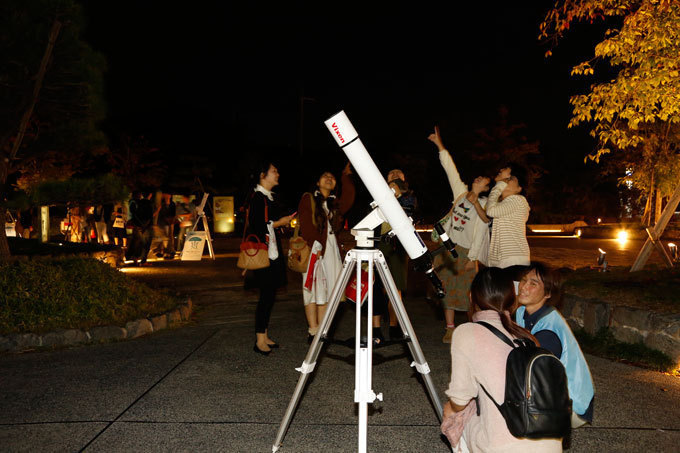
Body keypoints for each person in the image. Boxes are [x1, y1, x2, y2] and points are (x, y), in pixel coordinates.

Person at [444, 267, 562, 452]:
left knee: (454, 412)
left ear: (471, 297)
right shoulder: (527, 336)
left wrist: (451, 409)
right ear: (513, 300)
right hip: (550, 443)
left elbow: (460, 398)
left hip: (504, 447)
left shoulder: (466, 332)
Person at [428, 126, 491, 343]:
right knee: (445, 289)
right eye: (479, 176)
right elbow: (450, 170)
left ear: (486, 188)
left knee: (466, 291)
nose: (479, 177)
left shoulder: (484, 204)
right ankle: (450, 328)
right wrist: (440, 145)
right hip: (447, 249)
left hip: (464, 252)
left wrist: (472, 258)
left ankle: (475, 330)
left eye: (484, 179)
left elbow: (482, 231)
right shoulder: (461, 194)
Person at [516, 262, 595, 428]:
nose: (523, 287)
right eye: (523, 280)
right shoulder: (522, 311)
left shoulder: (548, 331)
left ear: (548, 293)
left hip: (572, 405)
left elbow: (537, 377)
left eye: (533, 283)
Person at [298, 163, 355, 343]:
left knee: (327, 289)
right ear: (317, 182)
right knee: (311, 290)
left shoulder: (334, 203)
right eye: (325, 176)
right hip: (313, 249)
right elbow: (306, 225)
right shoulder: (308, 199)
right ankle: (312, 329)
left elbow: (349, 197)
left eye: (332, 177)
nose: (329, 178)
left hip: (331, 250)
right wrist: (316, 248)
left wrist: (346, 176)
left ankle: (322, 331)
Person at [249, 161, 295, 355]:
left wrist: (281, 223)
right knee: (265, 296)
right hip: (262, 253)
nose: (277, 174)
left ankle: (264, 334)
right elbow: (257, 225)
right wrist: (279, 223)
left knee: (270, 295)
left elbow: (269, 223)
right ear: (263, 175)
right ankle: (259, 340)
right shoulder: (257, 197)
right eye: (274, 171)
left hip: (272, 252)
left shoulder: (269, 197)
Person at [485, 163, 530, 282]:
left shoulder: (517, 200)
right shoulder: (504, 204)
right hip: (503, 260)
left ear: (519, 189)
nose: (500, 170)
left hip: (513, 259)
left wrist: (499, 184)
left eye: (510, 178)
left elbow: (490, 211)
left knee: (512, 298)